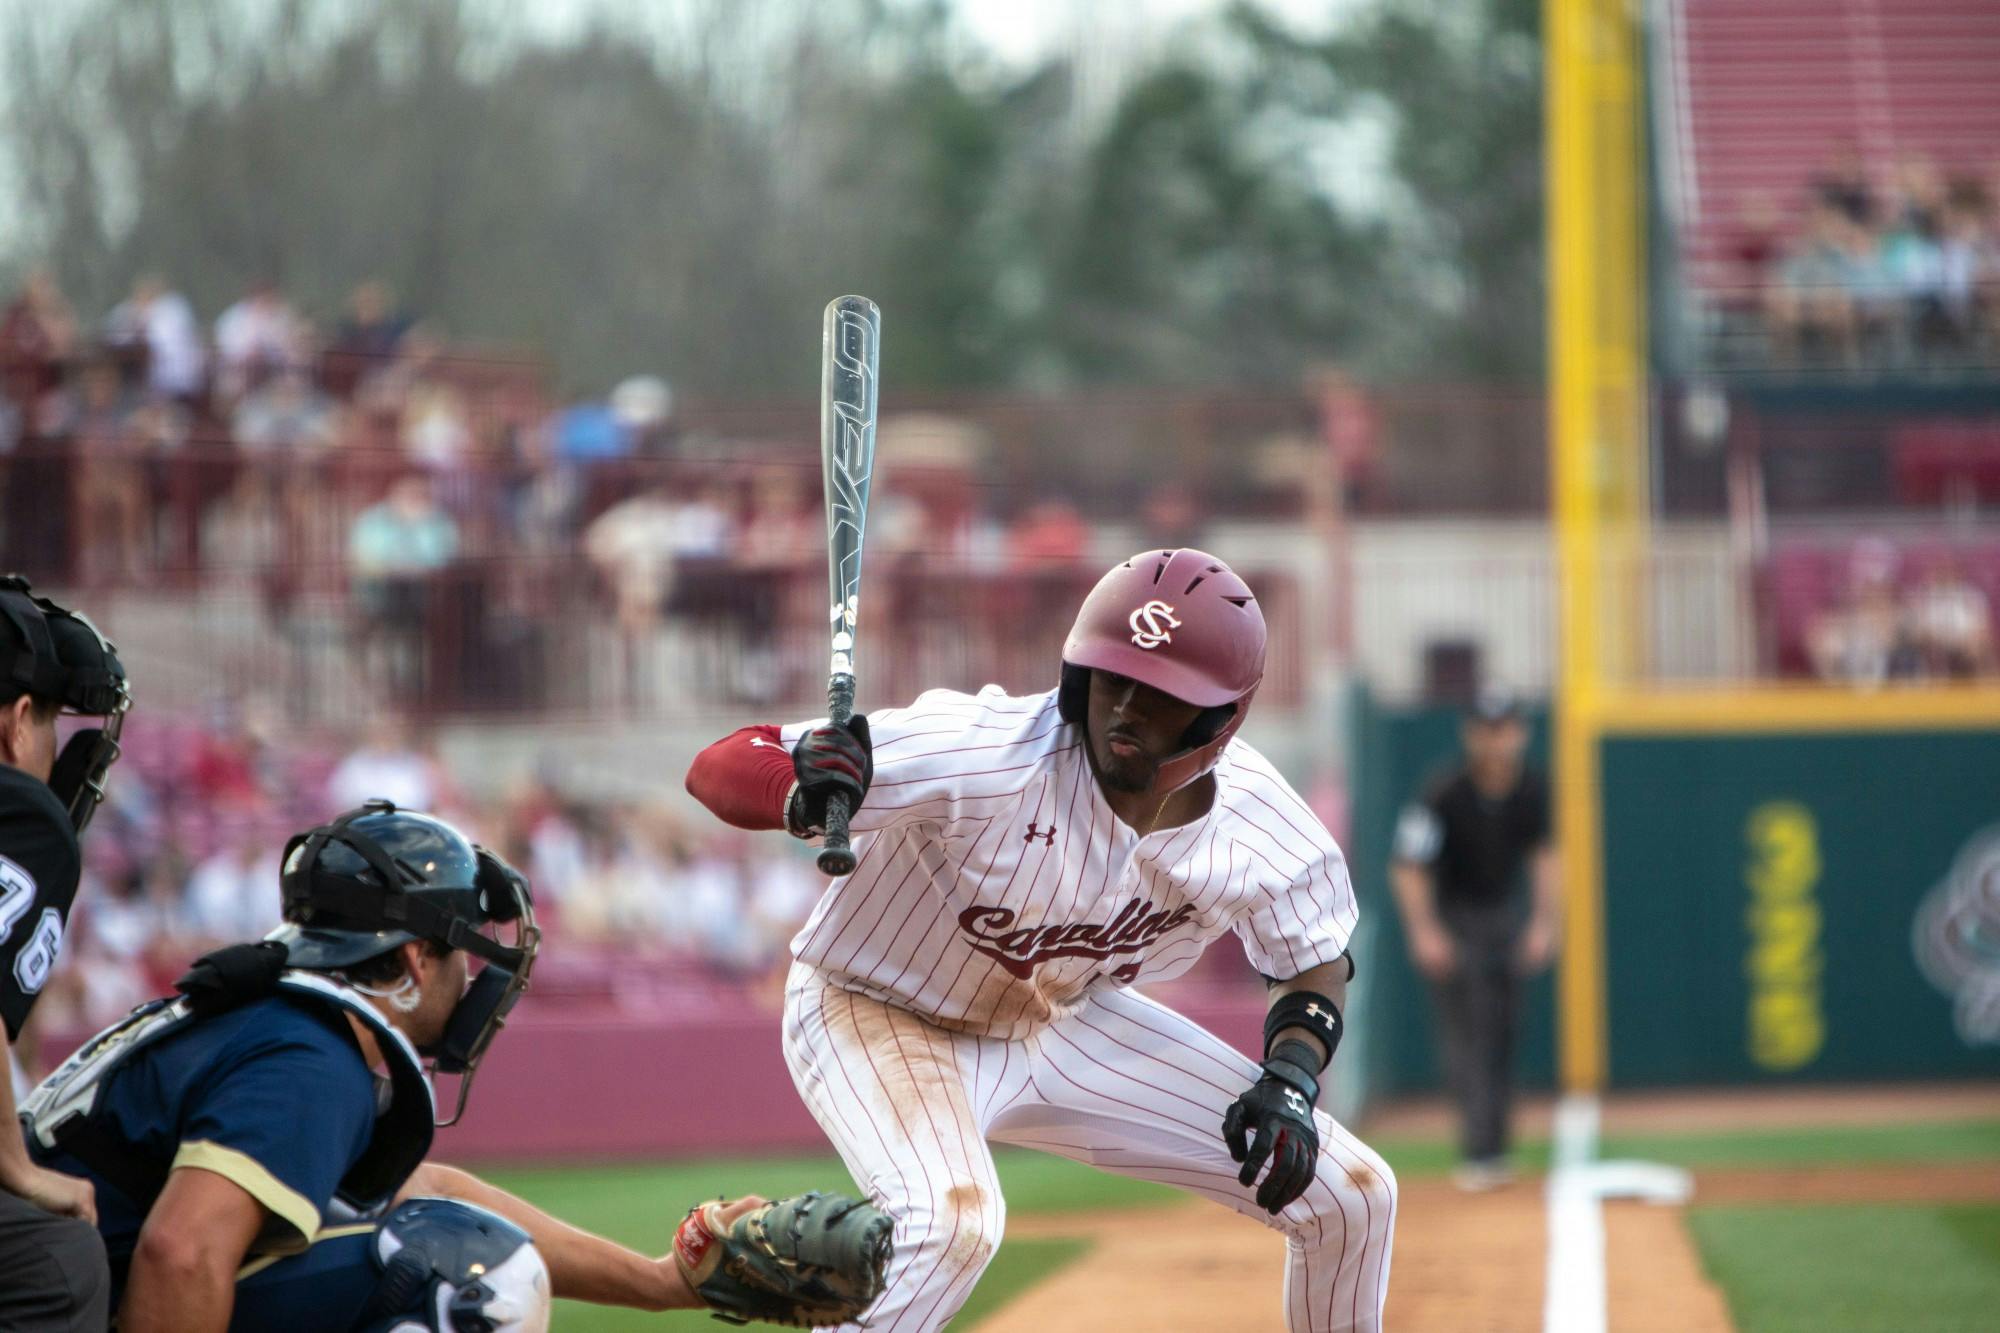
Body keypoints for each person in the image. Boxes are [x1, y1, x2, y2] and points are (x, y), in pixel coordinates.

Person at [687, 547, 1398, 1332]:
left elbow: (1313, 961)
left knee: (1352, 1195)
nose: (1125, 704)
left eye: (1161, 693)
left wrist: (1291, 1077)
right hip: (874, 1006)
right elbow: (720, 763)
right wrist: (800, 787)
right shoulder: (988, 751)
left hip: (1059, 1022)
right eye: (1111, 675)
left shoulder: (1260, 824)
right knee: (953, 1223)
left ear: (1217, 719)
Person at [20, 801, 890, 1331]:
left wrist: (662, 1283)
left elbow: (423, 1186)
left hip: (54, 1290)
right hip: (45, 1302)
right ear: (406, 962)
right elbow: (178, 1253)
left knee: (436, 1228)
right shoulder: (309, 1052)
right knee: (472, 1276)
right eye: (460, 949)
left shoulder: (277, 1020)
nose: (473, 974)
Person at [0, 574, 131, 1330]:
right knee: (63, 1258)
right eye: (53, 721)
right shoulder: (23, 811)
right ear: (19, 719)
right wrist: (16, 1169)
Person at [1390, 687, 1557, 1192]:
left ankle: (1497, 1147)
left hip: (1503, 916)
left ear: (1521, 733)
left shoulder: (1531, 789)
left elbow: (1545, 857)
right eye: (1488, 730)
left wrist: (1545, 922)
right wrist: (1425, 930)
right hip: (1456, 919)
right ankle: (1479, 1148)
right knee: (1470, 1032)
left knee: (1504, 1029)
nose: (1497, 741)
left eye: (1506, 729)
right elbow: (1408, 865)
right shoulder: (1445, 791)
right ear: (1470, 734)